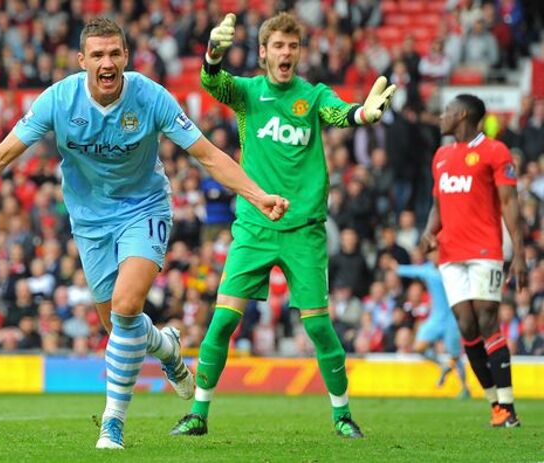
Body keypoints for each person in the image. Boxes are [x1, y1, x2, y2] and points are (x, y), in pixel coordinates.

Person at [0, 17, 289, 450]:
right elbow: (3, 154)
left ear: (126, 57)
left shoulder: (150, 96)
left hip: (144, 208)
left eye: (115, 53)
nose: (107, 63)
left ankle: (112, 423)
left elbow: (208, 155)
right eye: (98, 55)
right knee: (119, 324)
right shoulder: (58, 100)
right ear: (82, 60)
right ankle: (167, 348)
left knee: (126, 305)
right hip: (89, 220)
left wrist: (257, 195)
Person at [170, 12, 395, 439]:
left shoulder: (312, 96)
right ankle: (198, 414)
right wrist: (213, 52)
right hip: (254, 227)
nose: (286, 52)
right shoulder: (248, 93)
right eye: (278, 45)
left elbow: (339, 113)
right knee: (222, 322)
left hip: (303, 230)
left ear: (299, 52)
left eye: (292, 46)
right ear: (263, 52)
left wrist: (363, 115)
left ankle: (342, 415)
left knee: (318, 327)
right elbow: (212, 82)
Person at [420, 94, 526, 427]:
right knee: (466, 325)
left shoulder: (495, 151)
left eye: (447, 111)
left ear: (463, 115)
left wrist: (519, 252)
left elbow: (509, 203)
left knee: (486, 317)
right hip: (450, 253)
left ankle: (508, 406)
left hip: (484, 250)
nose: (442, 116)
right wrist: (429, 232)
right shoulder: (441, 156)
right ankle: (496, 405)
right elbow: (438, 204)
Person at [390, 253, 470, 398]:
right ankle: (442, 365)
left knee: (455, 355)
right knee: (418, 347)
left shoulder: (451, 269)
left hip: (452, 320)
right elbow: (413, 270)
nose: (433, 257)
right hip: (436, 319)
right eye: (431, 254)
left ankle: (464, 388)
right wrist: (397, 268)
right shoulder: (427, 270)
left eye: (436, 253)